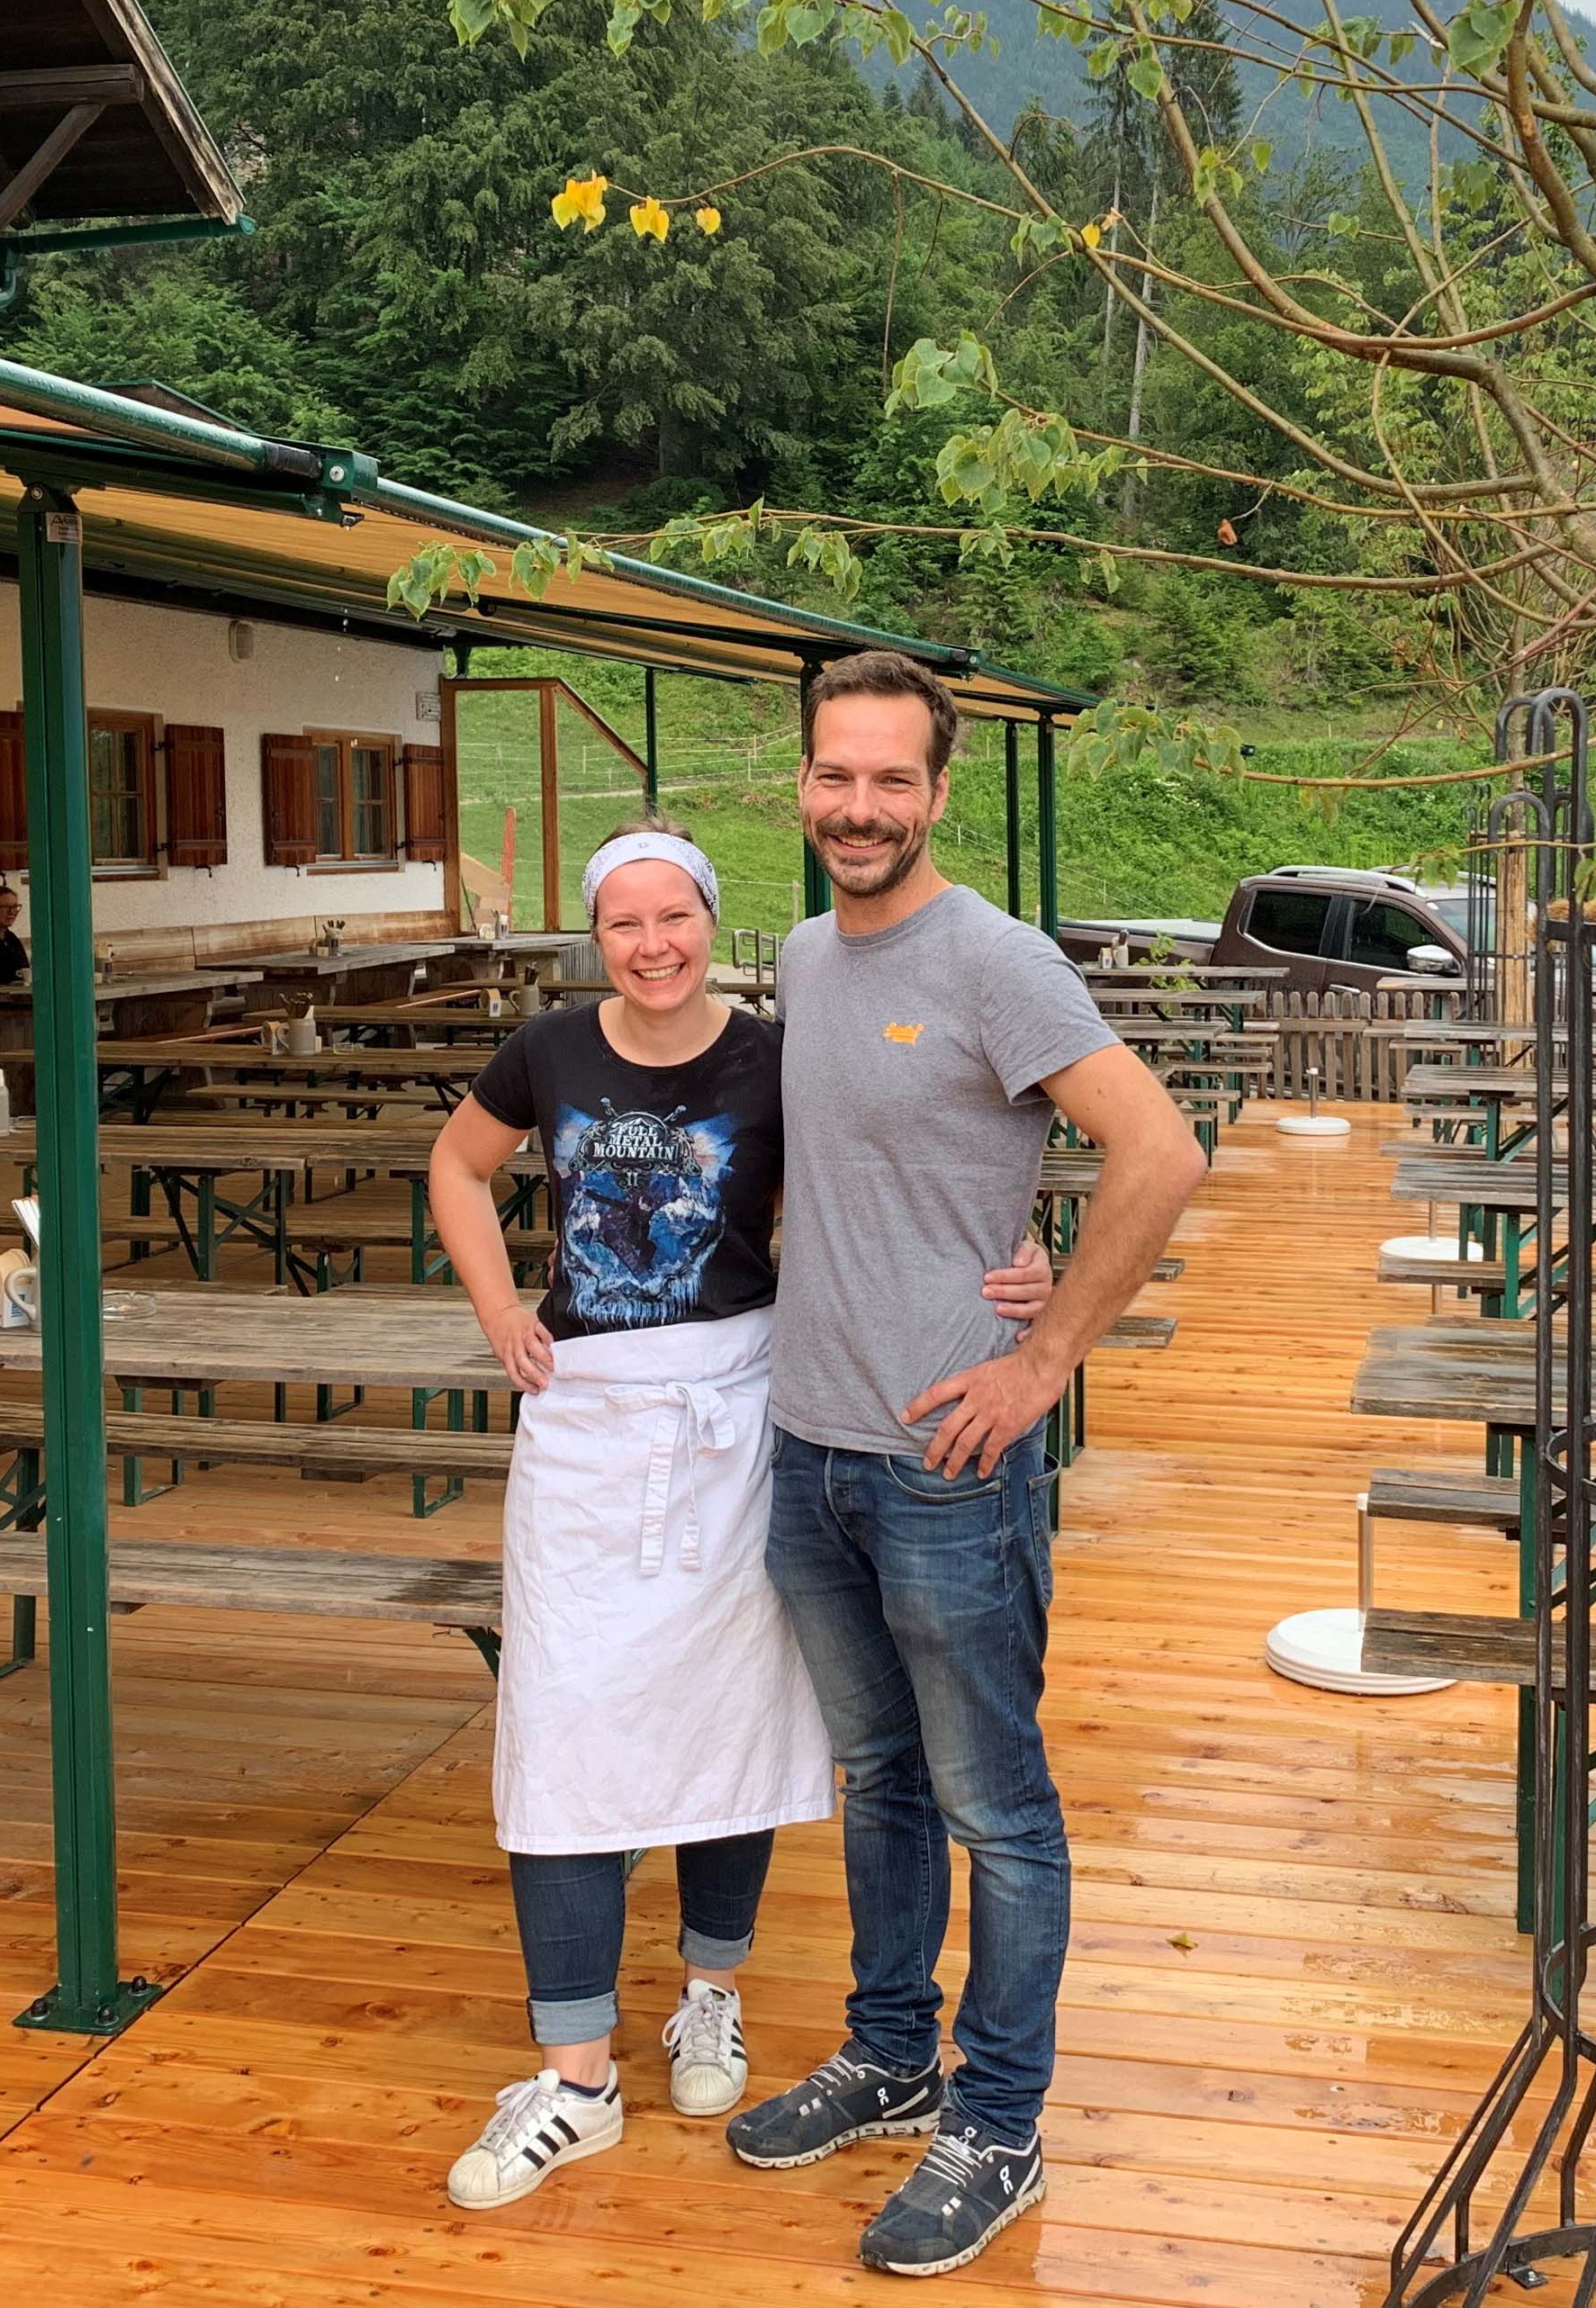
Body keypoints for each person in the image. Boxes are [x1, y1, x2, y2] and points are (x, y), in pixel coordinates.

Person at [420, 815, 1056, 2213]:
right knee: (565, 1715)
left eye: (675, 917)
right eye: (623, 923)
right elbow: (455, 1166)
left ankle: (711, 1991)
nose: (651, 944)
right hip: (590, 1411)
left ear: (715, 920)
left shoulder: (777, 1051)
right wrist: (494, 1308)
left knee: (732, 1710)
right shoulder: (548, 1050)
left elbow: (904, 1167)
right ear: (595, 938)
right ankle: (574, 2074)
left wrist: (1017, 1256)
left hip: (740, 1400)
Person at [726, 653, 1206, 2278]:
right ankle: (888, 2056)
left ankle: (995, 2122)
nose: (857, 807)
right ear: (798, 784)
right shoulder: (800, 951)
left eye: (889, 781)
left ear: (936, 794)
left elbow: (1157, 1149)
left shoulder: (993, 958)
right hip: (813, 1449)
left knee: (997, 1807)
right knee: (878, 1783)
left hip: (949, 1455)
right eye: (832, 776)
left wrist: (1043, 1348)